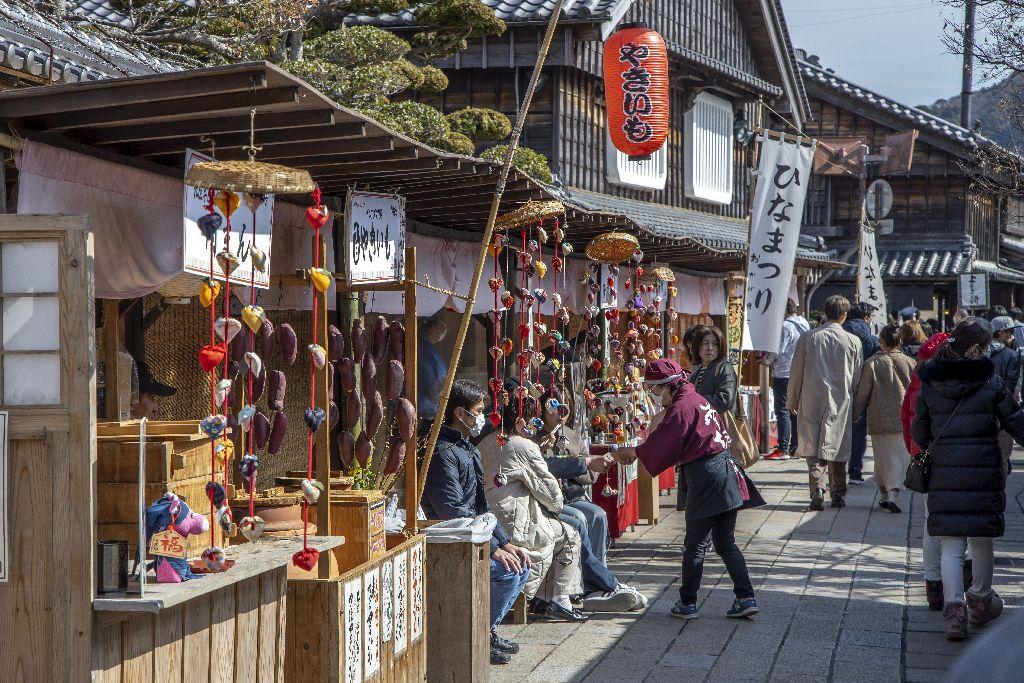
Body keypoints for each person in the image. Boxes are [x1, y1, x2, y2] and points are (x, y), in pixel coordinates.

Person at [612, 359, 763, 620]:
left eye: (656, 390)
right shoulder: (696, 399)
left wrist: (633, 452)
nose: (656, 396)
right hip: (726, 471)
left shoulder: (682, 407)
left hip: (707, 476)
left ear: (668, 386)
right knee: (726, 542)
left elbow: (662, 444)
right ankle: (745, 597)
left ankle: (687, 602)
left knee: (695, 545)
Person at [911, 317, 1024, 640]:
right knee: (981, 539)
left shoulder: (930, 381)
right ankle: (981, 600)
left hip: (945, 471)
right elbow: (1014, 420)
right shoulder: (989, 382)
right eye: (986, 347)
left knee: (951, 543)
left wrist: (940, 448)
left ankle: (954, 614)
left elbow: (919, 429)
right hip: (983, 470)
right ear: (975, 349)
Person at [421, 379, 532, 664]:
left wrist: (504, 542)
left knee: (522, 563)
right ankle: (478, 634)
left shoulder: (467, 448)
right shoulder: (442, 453)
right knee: (506, 572)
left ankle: (488, 629)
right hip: (450, 538)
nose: (482, 417)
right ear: (461, 414)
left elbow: (482, 505)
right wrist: (491, 548)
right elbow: (453, 510)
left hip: (476, 532)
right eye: (478, 410)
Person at [534, 385, 645, 612]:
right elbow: (544, 469)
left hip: (572, 495)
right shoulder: (535, 436)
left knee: (598, 514)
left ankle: (597, 581)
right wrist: (574, 463)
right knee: (579, 519)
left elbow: (589, 477)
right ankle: (596, 582)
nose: (560, 411)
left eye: (565, 406)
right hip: (549, 499)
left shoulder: (573, 436)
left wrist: (595, 463)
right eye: (554, 406)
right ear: (543, 409)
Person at [480, 394, 587, 624]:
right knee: (570, 534)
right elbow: (553, 498)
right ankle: (559, 598)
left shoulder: (486, 442)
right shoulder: (524, 446)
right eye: (533, 421)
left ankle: (542, 597)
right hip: (513, 523)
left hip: (489, 519)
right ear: (523, 421)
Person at [788, 295, 862, 510]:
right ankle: (838, 493)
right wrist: (856, 406)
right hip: (841, 400)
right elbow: (856, 378)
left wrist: (792, 399)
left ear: (824, 313)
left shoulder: (808, 338)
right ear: (844, 315)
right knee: (837, 446)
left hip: (811, 396)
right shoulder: (853, 341)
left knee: (813, 447)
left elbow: (796, 372)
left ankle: (817, 489)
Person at [900, 332, 956, 610]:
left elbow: (907, 420)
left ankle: (932, 583)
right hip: (954, 459)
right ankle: (955, 584)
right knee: (957, 526)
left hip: (925, 458)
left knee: (930, 522)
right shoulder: (957, 380)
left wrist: (914, 452)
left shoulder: (918, 380)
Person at [853, 325, 915, 512]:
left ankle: (885, 494)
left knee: (881, 458)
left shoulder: (872, 363)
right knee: (899, 458)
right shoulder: (910, 362)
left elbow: (863, 393)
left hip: (879, 417)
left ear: (881, 341)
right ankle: (892, 493)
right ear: (900, 341)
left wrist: (856, 411)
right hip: (903, 418)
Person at [763, 300, 810, 460]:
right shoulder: (804, 323)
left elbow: (778, 350)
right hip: (800, 371)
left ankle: (783, 448)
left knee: (782, 409)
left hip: (783, 372)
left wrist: (765, 361)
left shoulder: (785, 326)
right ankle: (796, 447)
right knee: (795, 410)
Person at [843, 301, 881, 483]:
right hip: (861, 388)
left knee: (837, 431)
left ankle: (836, 472)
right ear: (867, 318)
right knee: (858, 431)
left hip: (837, 387)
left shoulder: (840, 331)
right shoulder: (871, 339)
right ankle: (855, 472)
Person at [417, 318, 449, 422]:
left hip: (430, 407)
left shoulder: (429, 348)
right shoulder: (422, 347)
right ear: (432, 327)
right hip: (422, 407)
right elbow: (429, 378)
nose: (442, 333)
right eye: (440, 328)